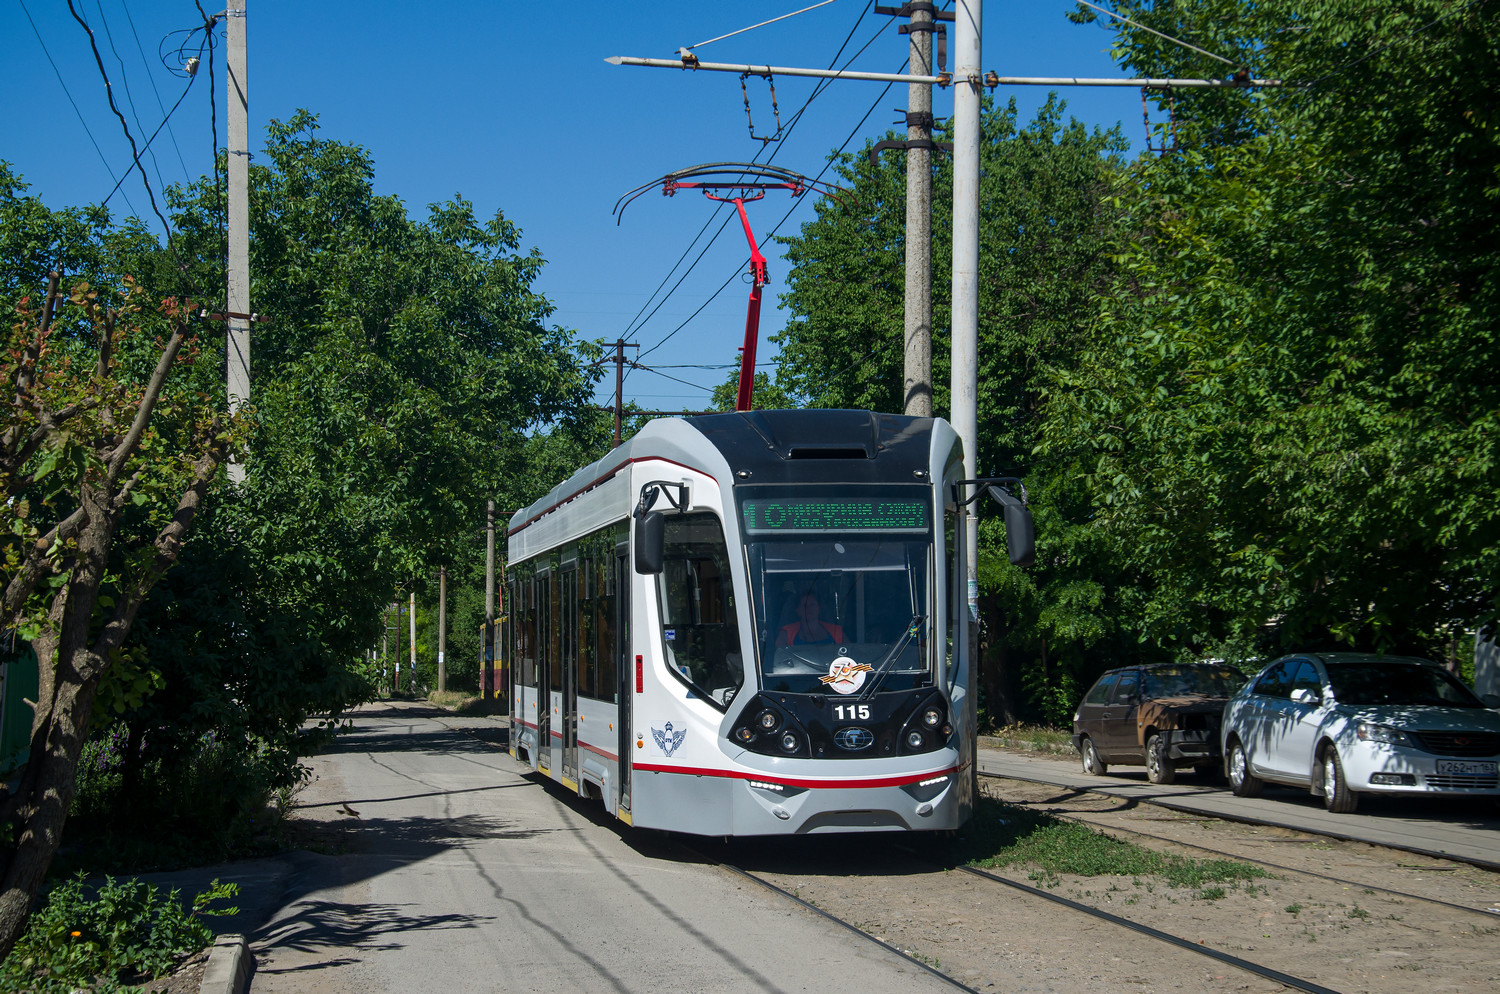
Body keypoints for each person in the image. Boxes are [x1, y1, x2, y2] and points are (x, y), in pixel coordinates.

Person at [776, 592, 844, 647]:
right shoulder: (786, 634)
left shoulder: (836, 632)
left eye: (812, 605)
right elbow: (779, 658)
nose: (809, 609)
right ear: (798, 610)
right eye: (804, 605)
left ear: (819, 608)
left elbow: (850, 655)